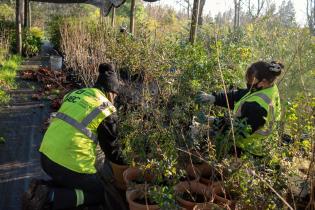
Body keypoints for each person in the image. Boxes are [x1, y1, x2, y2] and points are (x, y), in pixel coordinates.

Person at [23, 63, 126, 210]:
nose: (114, 99)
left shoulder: (75, 94)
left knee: (71, 178)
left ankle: (40, 187)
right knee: (98, 192)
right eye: (115, 96)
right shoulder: (106, 109)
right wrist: (124, 166)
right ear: (111, 92)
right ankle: (50, 195)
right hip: (67, 164)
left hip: (45, 157)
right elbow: (112, 150)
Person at [195, 61, 283, 158]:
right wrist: (213, 98)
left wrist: (212, 121)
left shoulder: (259, 107)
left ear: (264, 81)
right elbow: (238, 95)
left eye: (251, 79)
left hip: (249, 151)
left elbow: (238, 130)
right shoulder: (266, 88)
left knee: (203, 139)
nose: (248, 82)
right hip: (246, 140)